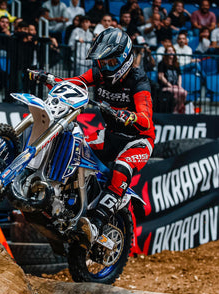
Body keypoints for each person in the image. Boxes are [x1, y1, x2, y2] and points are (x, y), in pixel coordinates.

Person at [29, 28, 155, 249]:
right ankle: (66, 200)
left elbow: (146, 118)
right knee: (77, 148)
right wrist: (49, 79)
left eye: (112, 61)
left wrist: (131, 115)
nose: (106, 67)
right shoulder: (98, 74)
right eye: (103, 62)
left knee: (122, 166)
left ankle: (96, 223)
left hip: (138, 141)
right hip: (111, 135)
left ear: (126, 58)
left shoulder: (138, 80)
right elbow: (74, 83)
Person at [158, 45, 187, 113]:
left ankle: (178, 108)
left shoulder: (176, 64)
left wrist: (179, 86)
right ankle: (176, 110)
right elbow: (160, 76)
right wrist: (169, 85)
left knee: (184, 92)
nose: (171, 52)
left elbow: (179, 76)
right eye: (169, 51)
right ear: (166, 53)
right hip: (165, 87)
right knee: (178, 92)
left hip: (175, 86)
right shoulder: (162, 63)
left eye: (173, 51)